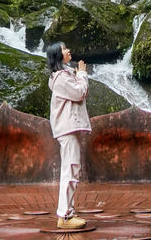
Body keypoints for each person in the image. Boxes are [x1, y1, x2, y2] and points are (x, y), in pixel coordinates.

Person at [47, 42, 91, 230]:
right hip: (66, 129)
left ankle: (67, 213)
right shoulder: (61, 79)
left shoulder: (63, 75)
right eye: (64, 49)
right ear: (58, 55)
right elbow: (80, 93)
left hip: (67, 128)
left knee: (72, 169)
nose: (68, 50)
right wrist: (81, 73)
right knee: (70, 170)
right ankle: (65, 216)